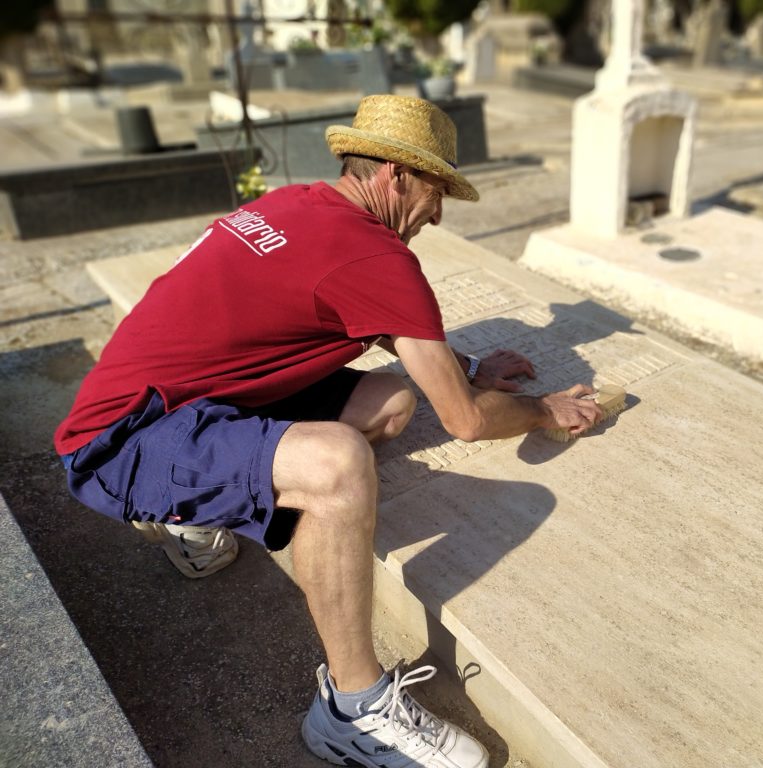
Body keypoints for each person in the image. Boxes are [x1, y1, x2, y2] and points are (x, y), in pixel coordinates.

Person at [54, 94, 602, 768]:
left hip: (174, 396)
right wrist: (545, 412)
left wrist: (462, 364)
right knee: (338, 465)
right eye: (436, 190)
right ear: (395, 177)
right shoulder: (378, 259)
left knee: (389, 402)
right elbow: (464, 420)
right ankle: (353, 710)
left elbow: (374, 319)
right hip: (122, 439)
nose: (437, 213)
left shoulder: (295, 205)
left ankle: (202, 511)